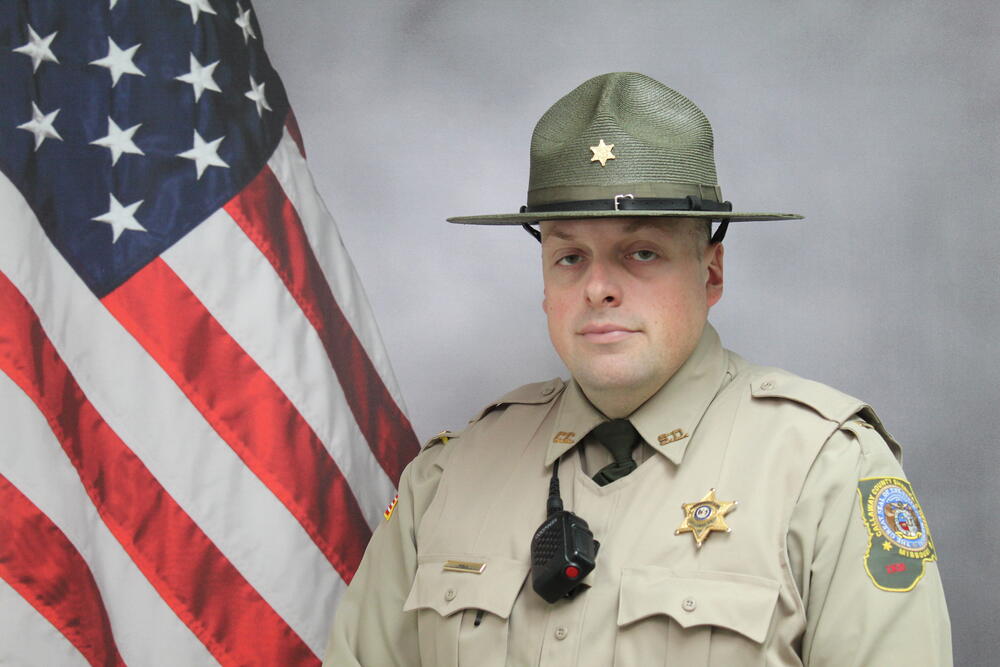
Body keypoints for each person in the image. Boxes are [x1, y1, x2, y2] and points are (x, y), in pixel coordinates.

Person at [324, 72, 951, 665]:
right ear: (544, 279)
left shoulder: (826, 473)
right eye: (569, 256)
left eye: (641, 252)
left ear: (711, 273)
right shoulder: (446, 480)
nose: (598, 287)